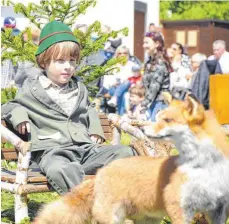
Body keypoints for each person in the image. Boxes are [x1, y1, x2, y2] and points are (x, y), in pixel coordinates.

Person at [1, 20, 137, 195]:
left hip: (85, 150)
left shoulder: (79, 88)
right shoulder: (32, 89)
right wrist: (19, 115)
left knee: (125, 153)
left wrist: (96, 128)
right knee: (60, 170)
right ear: (44, 62)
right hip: (53, 152)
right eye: (60, 61)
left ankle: (111, 202)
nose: (68, 67)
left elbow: (89, 108)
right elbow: (10, 106)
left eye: (72, 61)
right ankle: (86, 207)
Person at [140, 31, 172, 121]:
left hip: (160, 103)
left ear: (157, 44)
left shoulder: (160, 63)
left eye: (147, 42)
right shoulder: (149, 61)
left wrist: (143, 106)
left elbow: (154, 87)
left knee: (154, 132)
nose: (144, 46)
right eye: (143, 43)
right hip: (151, 102)